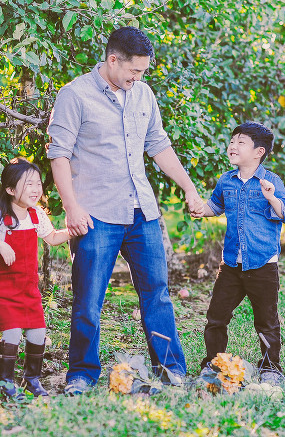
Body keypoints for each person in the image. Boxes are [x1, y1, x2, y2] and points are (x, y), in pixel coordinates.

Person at [47, 26, 204, 395]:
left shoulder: (143, 94)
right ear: (112, 59)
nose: (139, 78)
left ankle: (169, 369)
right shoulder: (75, 95)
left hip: (142, 211)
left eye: (144, 72)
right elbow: (59, 154)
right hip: (95, 213)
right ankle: (82, 375)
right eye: (134, 71)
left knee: (157, 292)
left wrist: (189, 187)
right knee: (88, 298)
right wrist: (71, 207)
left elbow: (159, 146)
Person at [195, 121, 285, 386]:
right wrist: (199, 208)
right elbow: (215, 206)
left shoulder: (271, 181)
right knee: (216, 316)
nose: (233, 146)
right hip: (231, 264)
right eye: (232, 141)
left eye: (241, 142)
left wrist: (272, 197)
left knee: (266, 320)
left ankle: (271, 367)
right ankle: (215, 364)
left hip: (262, 263)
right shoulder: (226, 180)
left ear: (258, 152)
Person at [0, 158, 70, 398]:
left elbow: (53, 238)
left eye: (38, 184)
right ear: (10, 189)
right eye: (28, 184)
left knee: (38, 331)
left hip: (28, 288)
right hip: (3, 288)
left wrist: (73, 231)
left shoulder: (36, 215)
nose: (36, 189)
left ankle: (32, 379)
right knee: (13, 332)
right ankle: (4, 380)